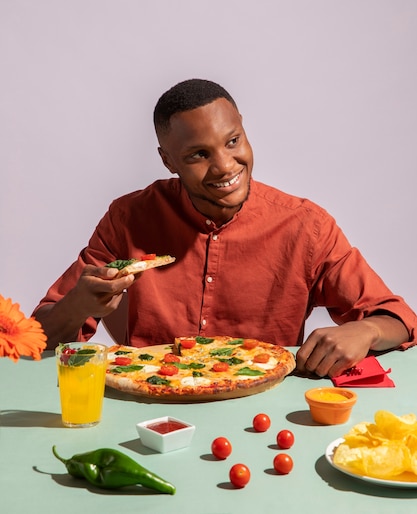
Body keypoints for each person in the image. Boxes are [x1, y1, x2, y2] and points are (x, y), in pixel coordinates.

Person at [33, 79, 417, 377]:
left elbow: (399, 318)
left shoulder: (306, 227)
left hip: (264, 411)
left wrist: (365, 332)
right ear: (168, 161)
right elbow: (37, 337)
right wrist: (80, 302)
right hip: (154, 402)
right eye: (198, 155)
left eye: (233, 141)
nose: (225, 166)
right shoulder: (128, 218)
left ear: (244, 130)